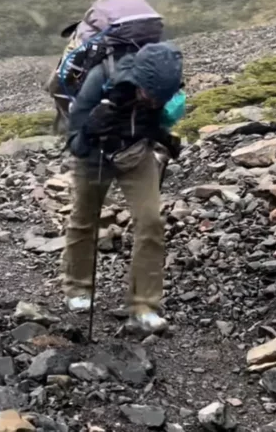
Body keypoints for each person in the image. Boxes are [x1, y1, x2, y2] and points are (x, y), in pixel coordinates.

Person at [63, 41, 184, 334]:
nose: (154, 102)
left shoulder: (162, 91)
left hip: (137, 153)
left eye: (161, 98)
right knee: (84, 219)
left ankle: (144, 307)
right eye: (150, 96)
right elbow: (75, 144)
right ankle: (78, 287)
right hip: (95, 156)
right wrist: (92, 128)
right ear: (138, 81)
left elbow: (148, 121)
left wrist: (164, 137)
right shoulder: (100, 80)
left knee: (151, 221)